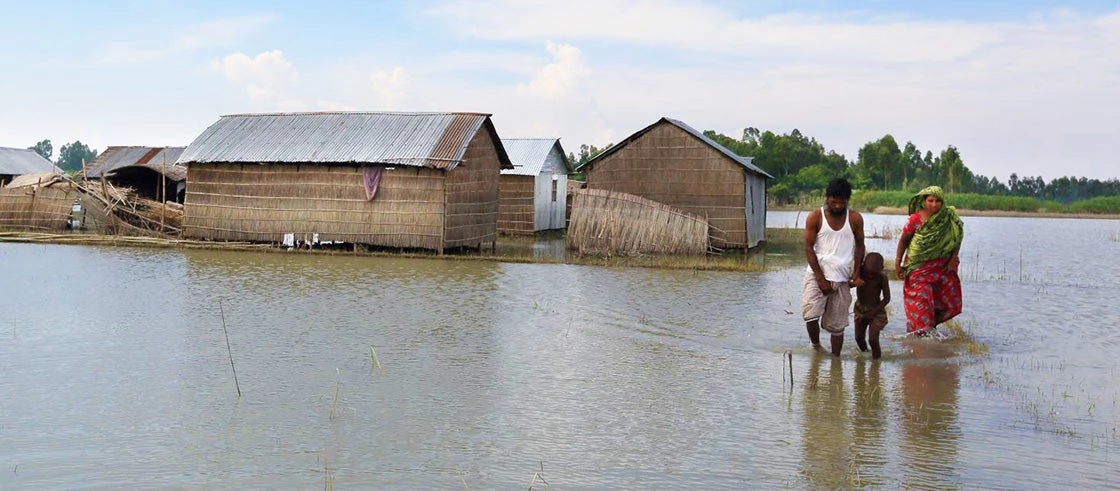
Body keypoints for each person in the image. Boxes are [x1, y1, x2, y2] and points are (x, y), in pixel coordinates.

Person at [802, 178, 865, 356]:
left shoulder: (854, 218)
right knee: (810, 314)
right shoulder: (815, 217)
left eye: (842, 202)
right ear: (826, 197)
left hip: (842, 277)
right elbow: (808, 248)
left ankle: (835, 360)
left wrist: (856, 273)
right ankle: (815, 346)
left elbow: (860, 246)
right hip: (816, 274)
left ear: (847, 200)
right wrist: (820, 279)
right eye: (834, 201)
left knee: (837, 324)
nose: (837, 205)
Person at [895, 186, 964, 336]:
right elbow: (903, 241)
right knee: (921, 303)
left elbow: (956, 238)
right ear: (924, 200)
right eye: (930, 200)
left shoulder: (949, 217)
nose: (934, 204)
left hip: (942, 268)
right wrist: (898, 262)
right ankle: (923, 344)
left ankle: (927, 332)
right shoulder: (915, 219)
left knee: (948, 303)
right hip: (918, 269)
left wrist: (953, 259)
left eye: (938, 201)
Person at [853, 252, 890, 359]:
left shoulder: (882, 278)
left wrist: (873, 312)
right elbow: (847, 285)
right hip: (860, 308)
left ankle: (875, 363)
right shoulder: (859, 273)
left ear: (882, 268)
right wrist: (854, 282)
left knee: (873, 339)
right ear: (863, 265)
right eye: (869, 273)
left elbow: (887, 298)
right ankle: (864, 355)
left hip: (876, 310)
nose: (870, 276)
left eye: (874, 274)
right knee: (858, 338)